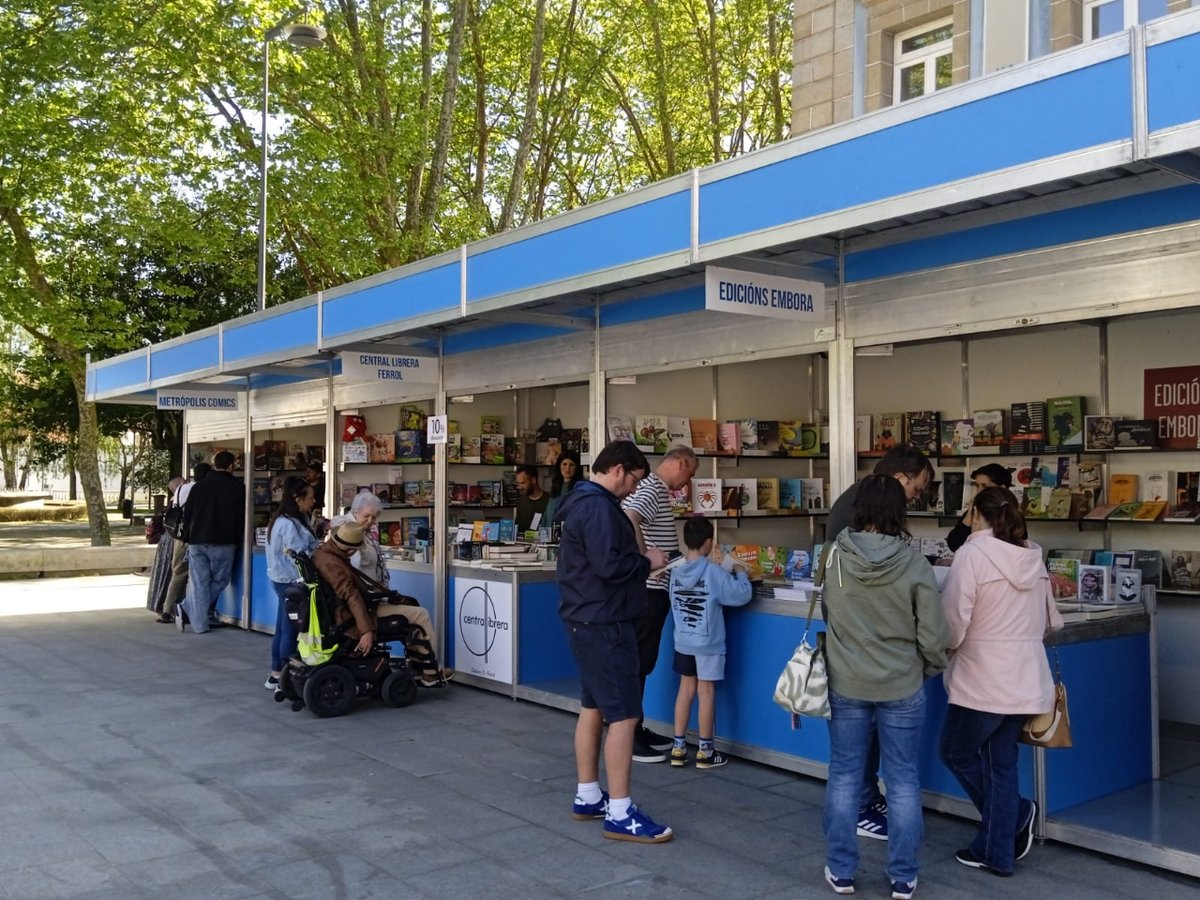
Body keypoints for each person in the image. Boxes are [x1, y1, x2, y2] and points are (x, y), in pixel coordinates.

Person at [818, 475, 947, 899]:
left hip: (846, 680)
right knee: (904, 781)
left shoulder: (835, 556)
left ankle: (841, 870)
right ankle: (903, 876)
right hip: (902, 683)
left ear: (859, 509)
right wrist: (926, 668)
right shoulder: (915, 564)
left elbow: (828, 612)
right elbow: (932, 634)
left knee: (844, 776)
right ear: (899, 511)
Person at [938, 487, 1063, 877]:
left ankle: (1016, 815)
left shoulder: (971, 555)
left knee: (956, 753)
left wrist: (943, 651)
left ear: (975, 515)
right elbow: (1051, 621)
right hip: (1026, 676)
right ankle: (996, 852)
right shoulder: (1033, 554)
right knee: (1002, 765)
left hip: (982, 677)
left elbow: (954, 621)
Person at [554, 441, 672, 843]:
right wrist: (649, 562)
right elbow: (611, 566)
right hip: (607, 621)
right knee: (623, 715)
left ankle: (588, 793)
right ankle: (620, 811)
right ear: (619, 470)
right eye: (635, 480)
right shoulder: (600, 507)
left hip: (584, 618)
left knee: (592, 706)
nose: (634, 490)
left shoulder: (577, 502)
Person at [824, 444, 934, 839]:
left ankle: (841, 862)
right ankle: (868, 811)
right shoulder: (906, 557)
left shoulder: (848, 515)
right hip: (892, 669)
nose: (916, 499)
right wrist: (925, 664)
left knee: (846, 765)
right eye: (917, 489)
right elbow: (931, 631)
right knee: (898, 774)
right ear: (901, 479)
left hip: (849, 663)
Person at [621, 444, 698, 763]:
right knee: (639, 661)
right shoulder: (652, 487)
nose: (688, 483)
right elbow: (630, 516)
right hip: (649, 589)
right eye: (689, 473)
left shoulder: (656, 489)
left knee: (643, 660)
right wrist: (644, 558)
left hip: (654, 588)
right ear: (679, 463)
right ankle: (629, 733)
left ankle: (636, 726)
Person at [313, 521, 451, 687]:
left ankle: (420, 666)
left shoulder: (322, 554)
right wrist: (366, 631)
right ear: (350, 550)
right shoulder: (334, 564)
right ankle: (431, 673)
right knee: (420, 614)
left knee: (410, 607)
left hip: (348, 611)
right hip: (355, 615)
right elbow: (352, 596)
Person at [668, 517, 751, 769]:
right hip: (708, 644)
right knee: (706, 693)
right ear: (708, 543)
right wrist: (740, 573)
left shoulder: (675, 571)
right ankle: (705, 750)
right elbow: (741, 596)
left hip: (683, 641)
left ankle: (678, 747)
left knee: (685, 691)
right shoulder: (714, 572)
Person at [264, 475, 320, 690]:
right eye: (310, 497)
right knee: (290, 630)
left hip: (281, 580)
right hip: (291, 582)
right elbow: (296, 554)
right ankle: (285, 677)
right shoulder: (288, 524)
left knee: (282, 628)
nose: (313, 501)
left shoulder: (284, 520)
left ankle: (276, 672)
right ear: (298, 499)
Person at [178, 452, 244, 634]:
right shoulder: (237, 488)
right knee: (220, 580)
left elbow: (188, 514)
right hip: (223, 541)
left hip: (197, 540)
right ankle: (186, 608)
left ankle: (196, 620)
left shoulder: (198, 487)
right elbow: (241, 518)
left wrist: (187, 537)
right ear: (231, 466)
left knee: (199, 582)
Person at [157, 463, 210, 624]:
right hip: (200, 536)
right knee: (200, 575)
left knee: (178, 573)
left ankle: (167, 610)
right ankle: (193, 610)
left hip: (181, 537)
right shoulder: (204, 490)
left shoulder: (180, 490)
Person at [945, 464, 1012, 552]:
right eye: (977, 485)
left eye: (985, 486)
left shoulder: (1012, 514)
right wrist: (970, 513)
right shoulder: (975, 511)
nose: (979, 490)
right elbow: (954, 545)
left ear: (1002, 488)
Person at [329, 491, 390, 587]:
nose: (370, 521)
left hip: (372, 586)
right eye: (366, 516)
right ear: (355, 511)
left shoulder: (367, 530)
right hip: (358, 589)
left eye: (373, 517)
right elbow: (354, 563)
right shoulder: (345, 525)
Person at [544, 450, 584, 527]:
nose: (567, 468)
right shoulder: (555, 486)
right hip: (549, 534)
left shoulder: (580, 489)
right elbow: (547, 515)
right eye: (564, 464)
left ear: (577, 468)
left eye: (571, 465)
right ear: (559, 466)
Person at [514, 464, 549, 534]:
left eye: (523, 483)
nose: (519, 487)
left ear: (533, 480)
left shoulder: (549, 501)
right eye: (518, 484)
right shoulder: (521, 501)